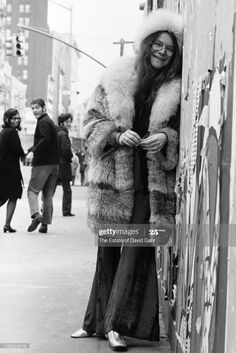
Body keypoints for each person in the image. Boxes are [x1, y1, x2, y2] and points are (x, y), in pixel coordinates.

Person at [71, 9, 183, 352]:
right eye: (158, 45)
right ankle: (95, 321)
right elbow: (90, 124)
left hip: (148, 183)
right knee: (107, 251)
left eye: (170, 49)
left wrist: (165, 138)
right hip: (113, 179)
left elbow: (177, 133)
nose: (163, 52)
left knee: (136, 249)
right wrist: (117, 136)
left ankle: (118, 325)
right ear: (147, 44)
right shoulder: (117, 76)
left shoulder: (174, 90)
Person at [26, 98, 59, 234]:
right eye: (33, 108)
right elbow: (46, 141)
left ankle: (36, 215)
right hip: (54, 164)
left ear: (44, 108)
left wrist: (33, 152)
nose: (34, 111)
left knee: (32, 191)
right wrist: (30, 150)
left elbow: (45, 140)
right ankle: (45, 225)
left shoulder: (43, 122)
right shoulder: (49, 121)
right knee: (48, 195)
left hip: (43, 164)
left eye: (37, 108)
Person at [0, 109, 25, 233]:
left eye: (18, 118)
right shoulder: (12, 132)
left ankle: (7, 225)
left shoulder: (4, 131)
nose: (17, 120)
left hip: (4, 169)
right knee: (12, 196)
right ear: (7, 120)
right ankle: (7, 224)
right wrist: (25, 155)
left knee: (5, 195)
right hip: (10, 170)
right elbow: (18, 150)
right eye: (14, 118)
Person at [56, 113, 75, 216]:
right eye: (67, 122)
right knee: (67, 189)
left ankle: (44, 206)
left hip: (56, 164)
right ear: (61, 123)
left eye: (69, 122)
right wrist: (71, 156)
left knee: (51, 188)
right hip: (63, 164)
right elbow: (65, 149)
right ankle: (66, 211)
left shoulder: (56, 132)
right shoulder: (63, 134)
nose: (69, 124)